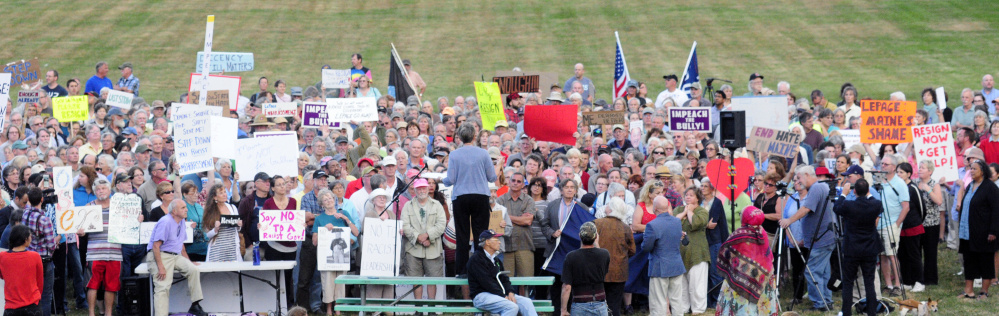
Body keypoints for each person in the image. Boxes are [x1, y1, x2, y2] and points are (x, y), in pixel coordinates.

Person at [441, 123, 497, 279]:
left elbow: (450, 179)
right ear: (474, 137)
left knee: (462, 235)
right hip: (480, 196)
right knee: (481, 236)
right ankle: (481, 268)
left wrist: (442, 180)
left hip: (461, 197)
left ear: (459, 137)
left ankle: (462, 271)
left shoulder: (454, 155)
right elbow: (492, 177)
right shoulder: (483, 153)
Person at [779, 165, 835, 311]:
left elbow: (806, 209)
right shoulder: (821, 187)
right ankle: (826, 300)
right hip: (823, 238)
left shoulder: (816, 188)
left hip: (820, 239)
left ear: (806, 175)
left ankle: (820, 303)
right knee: (823, 271)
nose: (798, 181)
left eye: (799, 177)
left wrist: (789, 221)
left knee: (812, 271)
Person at [146, 199, 207, 316]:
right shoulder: (165, 222)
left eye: (185, 207)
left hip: (175, 255)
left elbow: (181, 244)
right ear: (174, 211)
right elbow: (155, 246)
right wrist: (161, 267)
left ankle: (195, 305)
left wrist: (189, 261)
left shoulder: (182, 221)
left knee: (193, 270)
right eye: (183, 208)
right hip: (160, 254)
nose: (186, 210)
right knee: (162, 287)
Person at [714, 206, 779, 315]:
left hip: (741, 278)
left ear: (745, 218)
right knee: (761, 306)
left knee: (741, 305)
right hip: (762, 277)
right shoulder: (762, 232)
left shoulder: (740, 234)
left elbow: (727, 251)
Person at [833, 179, 883, 316]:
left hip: (852, 249)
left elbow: (836, 208)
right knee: (869, 282)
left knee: (848, 282)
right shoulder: (876, 204)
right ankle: (872, 312)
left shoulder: (849, 205)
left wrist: (843, 193)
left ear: (854, 191)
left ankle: (846, 312)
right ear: (868, 191)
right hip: (869, 248)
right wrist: (868, 193)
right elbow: (877, 204)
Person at [956, 159, 999, 300]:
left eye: (974, 169)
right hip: (968, 232)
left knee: (985, 261)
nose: (971, 171)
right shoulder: (970, 185)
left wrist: (993, 231)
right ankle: (968, 290)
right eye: (970, 169)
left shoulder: (990, 187)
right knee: (969, 260)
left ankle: (984, 292)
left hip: (984, 232)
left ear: (982, 171)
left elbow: (996, 211)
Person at [468, 229, 538, 316]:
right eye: (496, 240)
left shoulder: (496, 259)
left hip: (498, 294)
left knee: (527, 302)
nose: (499, 242)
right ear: (487, 242)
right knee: (511, 307)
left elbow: (504, 278)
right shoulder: (476, 259)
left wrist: (510, 292)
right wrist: (503, 296)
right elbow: (486, 283)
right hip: (481, 296)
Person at [312, 188, 358, 316]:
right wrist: (324, 230)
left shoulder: (344, 214)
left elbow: (356, 232)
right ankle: (328, 310)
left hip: (342, 256)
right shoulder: (319, 219)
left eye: (330, 198)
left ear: (334, 199)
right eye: (325, 200)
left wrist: (345, 219)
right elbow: (314, 241)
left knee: (340, 282)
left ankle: (338, 310)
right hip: (326, 257)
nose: (328, 201)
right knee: (327, 283)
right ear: (321, 204)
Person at [401, 178, 447, 299]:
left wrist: (427, 236)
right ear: (415, 190)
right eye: (419, 188)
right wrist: (418, 238)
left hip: (433, 249)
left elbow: (441, 224)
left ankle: (431, 309)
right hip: (413, 248)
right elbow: (405, 225)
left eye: (423, 188)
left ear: (428, 189)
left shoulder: (437, 205)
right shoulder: (407, 206)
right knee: (416, 281)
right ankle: (418, 309)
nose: (422, 191)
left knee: (432, 280)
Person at [641, 195, 685, 316]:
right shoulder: (677, 221)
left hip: (659, 266)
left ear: (655, 209)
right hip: (676, 264)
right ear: (668, 207)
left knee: (659, 301)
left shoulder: (652, 225)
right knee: (677, 300)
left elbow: (646, 247)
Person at [592, 198, 634, 316]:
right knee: (614, 305)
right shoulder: (625, 227)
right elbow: (632, 250)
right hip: (619, 271)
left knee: (597, 304)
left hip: (598, 271)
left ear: (610, 209)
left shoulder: (596, 223)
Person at [19, 187, 56, 316]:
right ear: (42, 199)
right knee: (45, 295)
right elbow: (51, 244)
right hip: (43, 260)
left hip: (28, 258)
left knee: (31, 293)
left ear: (28, 200)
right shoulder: (44, 220)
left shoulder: (25, 213)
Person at [560, 221, 610, 316]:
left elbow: (566, 287)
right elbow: (599, 256)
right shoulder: (605, 254)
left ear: (579, 236)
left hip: (579, 304)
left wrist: (563, 310)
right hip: (600, 303)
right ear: (596, 237)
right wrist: (596, 242)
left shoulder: (571, 257)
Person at [876, 154, 909, 296]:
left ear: (894, 167)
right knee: (882, 256)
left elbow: (906, 207)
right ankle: (888, 285)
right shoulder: (879, 182)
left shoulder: (899, 183)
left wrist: (897, 224)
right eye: (882, 163)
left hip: (891, 224)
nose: (882, 166)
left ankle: (898, 284)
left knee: (892, 255)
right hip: (878, 224)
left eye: (886, 164)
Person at [675, 187, 709, 314]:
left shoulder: (702, 211)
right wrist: (684, 212)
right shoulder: (678, 209)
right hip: (680, 252)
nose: (688, 197)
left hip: (698, 252)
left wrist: (690, 211)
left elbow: (695, 223)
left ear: (697, 198)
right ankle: (683, 308)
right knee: (682, 284)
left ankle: (698, 309)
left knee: (697, 285)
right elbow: (673, 222)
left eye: (691, 195)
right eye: (686, 195)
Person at [0, 225, 44, 316]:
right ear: (25, 239)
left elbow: (2, 275)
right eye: (30, 236)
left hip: (11, 307)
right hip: (33, 305)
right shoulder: (35, 256)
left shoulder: (2, 257)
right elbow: (40, 282)